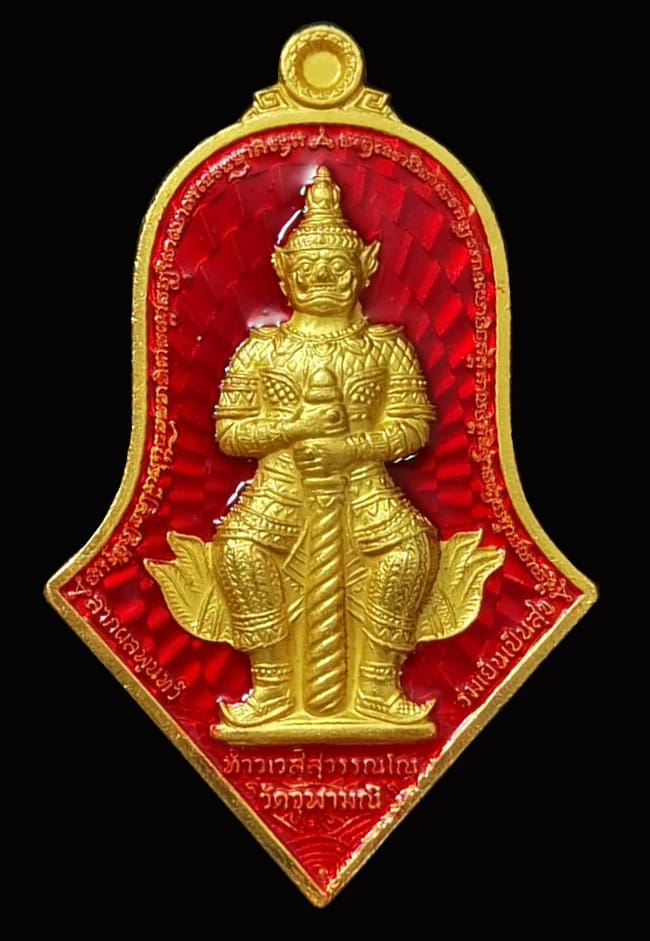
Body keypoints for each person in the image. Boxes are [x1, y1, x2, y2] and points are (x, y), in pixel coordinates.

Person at [212, 166, 439, 730]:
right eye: (308, 268)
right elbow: (231, 434)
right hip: (282, 485)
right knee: (238, 552)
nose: (322, 278)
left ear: (365, 266)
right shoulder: (261, 350)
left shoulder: (385, 348)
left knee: (411, 550)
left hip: (361, 481)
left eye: (337, 267)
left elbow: (413, 427)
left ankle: (377, 683)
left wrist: (352, 449)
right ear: (284, 272)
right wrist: (293, 427)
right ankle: (271, 684)